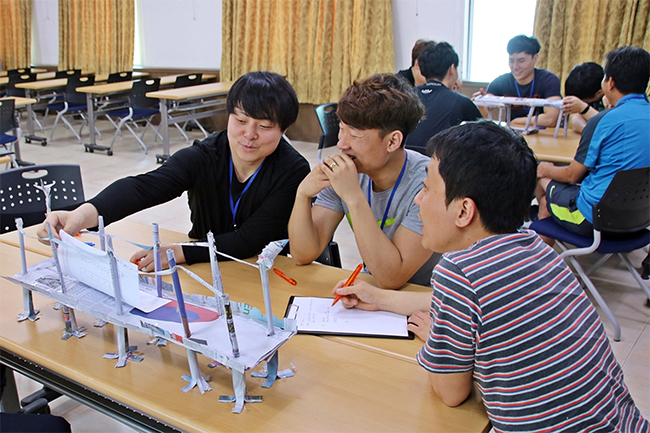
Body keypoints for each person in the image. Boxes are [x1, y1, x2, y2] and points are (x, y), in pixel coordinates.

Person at [333, 121, 649, 432]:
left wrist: (436, 341)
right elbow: (467, 303)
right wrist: (381, 297)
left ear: (463, 211)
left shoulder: (459, 272)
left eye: (427, 189)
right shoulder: (536, 250)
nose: (419, 199)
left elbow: (451, 393)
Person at [37, 71, 311, 270]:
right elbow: (144, 187)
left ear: (283, 130)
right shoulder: (206, 155)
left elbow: (250, 240)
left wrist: (181, 252)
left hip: (262, 271)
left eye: (263, 127)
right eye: (240, 120)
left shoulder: (293, 171)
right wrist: (83, 214)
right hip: (204, 268)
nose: (248, 135)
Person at [288, 73, 438, 289]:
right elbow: (302, 254)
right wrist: (302, 194)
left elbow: (391, 278)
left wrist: (352, 196)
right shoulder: (349, 171)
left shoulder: (428, 185)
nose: (341, 144)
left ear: (393, 141)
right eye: (341, 129)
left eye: (355, 135)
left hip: (424, 301)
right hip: (373, 292)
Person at [537, 46, 650, 238]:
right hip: (640, 219)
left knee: (543, 180)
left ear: (610, 83)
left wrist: (545, 169)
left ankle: (540, 263)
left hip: (593, 219)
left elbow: (571, 175)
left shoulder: (603, 120)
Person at [404, 42, 482, 154]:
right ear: (452, 69)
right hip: (438, 166)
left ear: (421, 70)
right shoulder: (460, 102)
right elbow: (487, 135)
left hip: (405, 163)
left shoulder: (406, 96)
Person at [476, 35, 562, 127]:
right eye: (511, 61)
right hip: (513, 136)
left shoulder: (549, 80)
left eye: (521, 61)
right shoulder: (500, 82)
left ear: (535, 58)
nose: (515, 67)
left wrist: (515, 121)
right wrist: (481, 102)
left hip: (543, 136)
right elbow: (484, 113)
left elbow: (550, 119)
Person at [563, 62, 606, 133]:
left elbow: (610, 125)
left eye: (583, 101)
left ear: (600, 92)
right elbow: (575, 120)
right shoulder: (590, 91)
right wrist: (588, 132)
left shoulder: (616, 97)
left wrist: (584, 108)